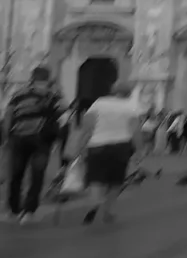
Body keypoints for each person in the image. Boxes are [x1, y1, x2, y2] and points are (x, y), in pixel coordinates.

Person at [70, 81, 142, 225]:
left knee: (96, 179)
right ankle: (108, 211)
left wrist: (79, 147)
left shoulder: (99, 103)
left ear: (112, 90)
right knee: (116, 181)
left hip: (97, 144)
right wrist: (139, 151)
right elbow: (135, 131)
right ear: (128, 93)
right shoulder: (131, 106)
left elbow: (87, 128)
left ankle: (95, 202)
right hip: (121, 146)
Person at [4, 66, 64, 224]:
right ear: (48, 78)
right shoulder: (52, 95)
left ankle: (13, 209)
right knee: (37, 175)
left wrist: (7, 138)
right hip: (41, 140)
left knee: (16, 174)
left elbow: (8, 116)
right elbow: (64, 110)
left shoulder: (18, 94)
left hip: (18, 138)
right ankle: (28, 212)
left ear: (32, 78)